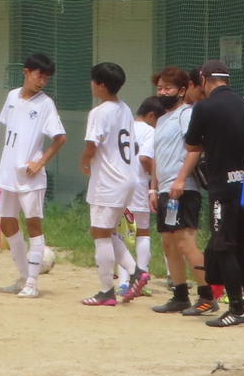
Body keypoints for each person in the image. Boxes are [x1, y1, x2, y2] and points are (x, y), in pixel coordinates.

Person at [170, 60, 244, 328]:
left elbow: (192, 143)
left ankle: (236, 308)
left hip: (224, 187)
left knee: (223, 246)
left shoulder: (204, 107)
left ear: (205, 80)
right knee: (241, 245)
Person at [0, 52, 67, 299]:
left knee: (33, 225)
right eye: (39, 75)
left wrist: (40, 162)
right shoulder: (11, 97)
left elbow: (60, 137)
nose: (42, 81)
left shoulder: (45, 103)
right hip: (8, 172)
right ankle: (23, 276)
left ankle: (33, 283)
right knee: (6, 223)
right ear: (26, 72)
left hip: (30, 176)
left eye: (46, 78)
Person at [80, 62, 145, 306]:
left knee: (100, 234)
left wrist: (84, 161)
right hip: (128, 178)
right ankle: (135, 271)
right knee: (103, 231)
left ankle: (107, 290)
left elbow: (91, 145)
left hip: (109, 181)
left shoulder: (99, 112)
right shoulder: (125, 109)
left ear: (101, 85)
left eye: (94, 81)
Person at [149, 67, 209, 315]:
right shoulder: (162, 119)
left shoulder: (187, 114)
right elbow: (155, 157)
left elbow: (195, 148)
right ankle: (180, 295)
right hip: (164, 189)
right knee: (168, 243)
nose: (163, 92)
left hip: (183, 188)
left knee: (185, 242)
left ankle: (207, 295)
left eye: (168, 88)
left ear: (182, 90)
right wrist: (153, 189)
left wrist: (181, 180)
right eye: (160, 88)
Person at [128, 97, 163, 288]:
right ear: (151, 115)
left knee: (121, 234)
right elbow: (144, 157)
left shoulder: (125, 127)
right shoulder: (150, 131)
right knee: (142, 231)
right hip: (138, 184)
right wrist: (153, 173)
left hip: (118, 184)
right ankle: (140, 276)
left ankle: (124, 281)